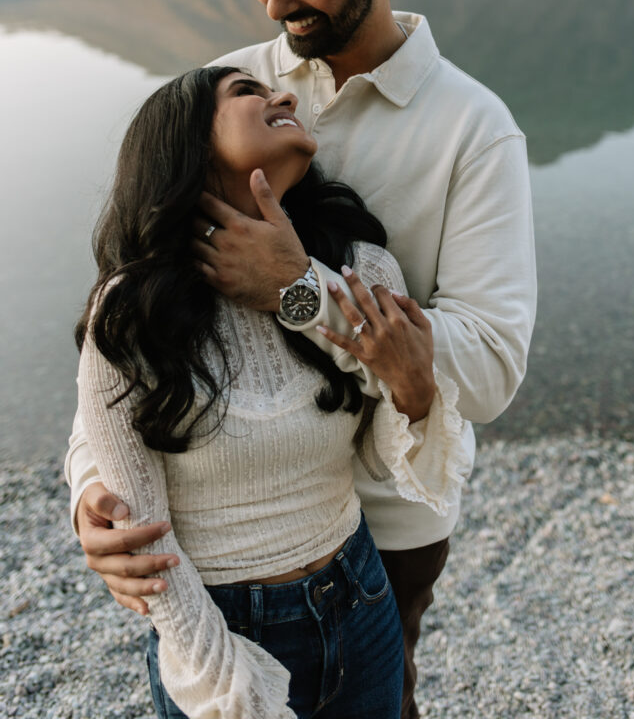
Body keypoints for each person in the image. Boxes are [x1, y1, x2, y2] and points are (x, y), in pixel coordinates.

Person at [66, 0, 537, 719]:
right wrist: (94, 491)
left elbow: (490, 367)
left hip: (384, 517)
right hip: (218, 534)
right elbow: (130, 325)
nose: (277, 5)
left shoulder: (475, 131)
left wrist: (298, 290)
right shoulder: (225, 92)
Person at [76, 63, 468, 719]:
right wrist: (223, 679)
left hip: (360, 599)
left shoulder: (360, 266)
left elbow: (383, 458)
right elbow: (145, 538)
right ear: (187, 144)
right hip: (218, 625)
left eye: (271, 88)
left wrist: (409, 385)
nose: (283, 95)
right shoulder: (132, 312)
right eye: (246, 92)